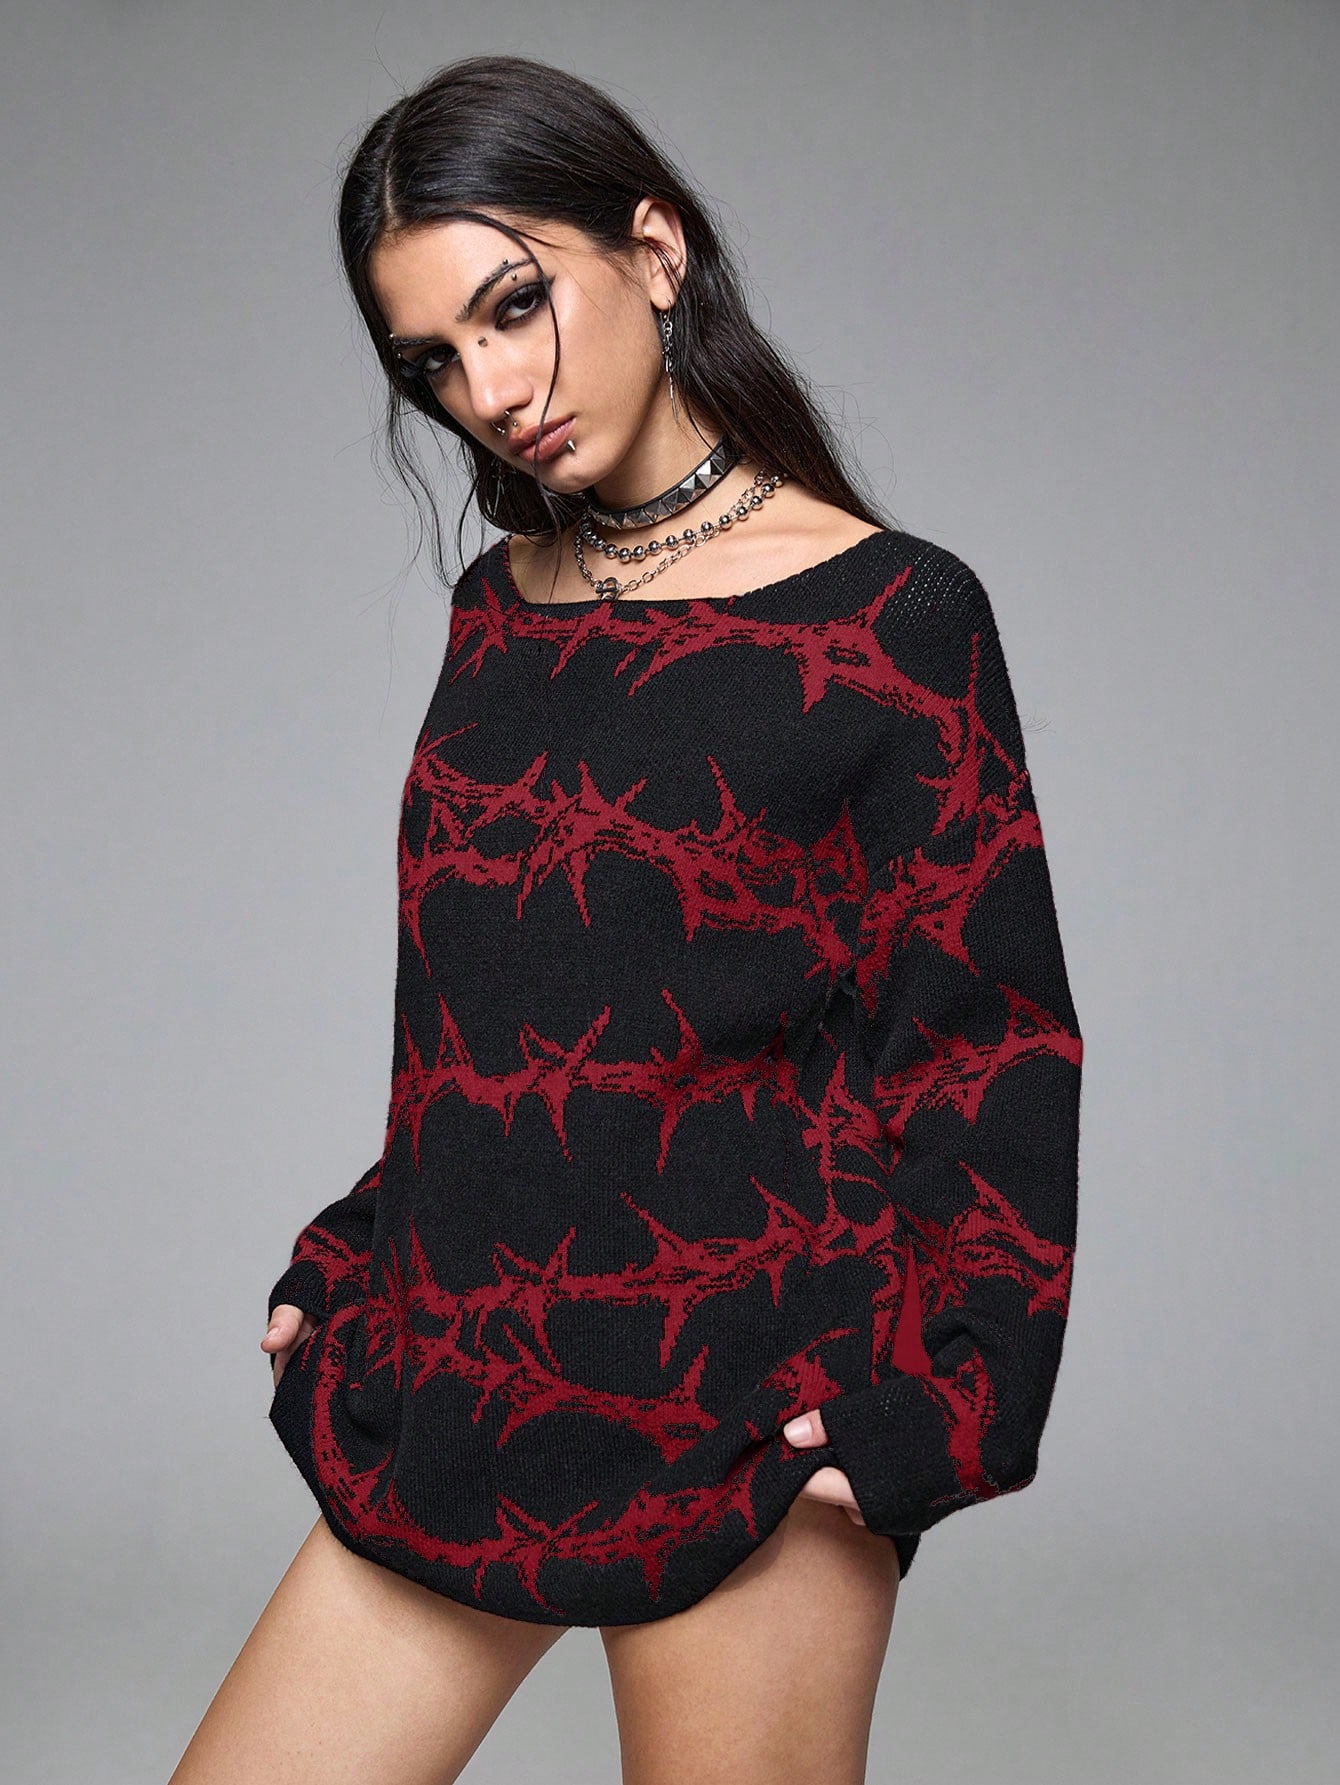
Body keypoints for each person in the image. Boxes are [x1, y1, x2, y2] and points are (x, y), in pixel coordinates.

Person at [170, 51, 1083, 1785]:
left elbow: (990, 1052)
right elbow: (501, 1020)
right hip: (470, 1389)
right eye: (435, 361)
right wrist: (370, 1245)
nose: (492, 390)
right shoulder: (493, 616)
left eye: (514, 306)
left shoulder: (895, 619)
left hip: (752, 1412)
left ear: (656, 251)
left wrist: (945, 1409)